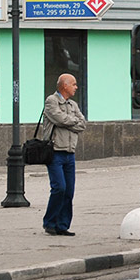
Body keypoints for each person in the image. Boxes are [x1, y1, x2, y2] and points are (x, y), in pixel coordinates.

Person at [42, 73, 88, 236]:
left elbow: (82, 124)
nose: (76, 87)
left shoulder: (73, 104)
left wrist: (70, 122)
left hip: (69, 152)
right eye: (74, 84)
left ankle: (62, 225)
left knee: (69, 191)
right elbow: (59, 119)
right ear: (64, 86)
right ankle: (49, 222)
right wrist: (72, 122)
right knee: (59, 188)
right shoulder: (51, 101)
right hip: (55, 152)